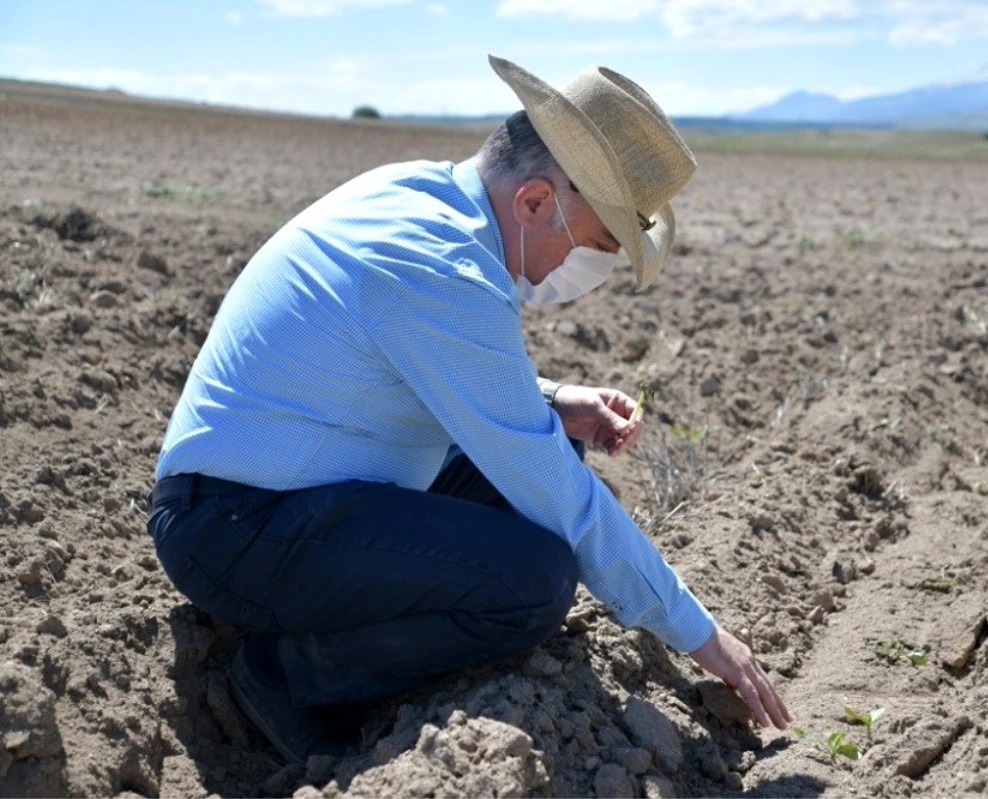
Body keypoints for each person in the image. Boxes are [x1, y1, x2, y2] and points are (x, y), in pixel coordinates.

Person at [147, 55, 791, 764]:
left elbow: (412, 360)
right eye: (601, 244)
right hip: (237, 527)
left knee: (548, 463)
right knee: (534, 579)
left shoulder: (416, 195)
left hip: (289, 493)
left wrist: (549, 400)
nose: (589, 272)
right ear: (536, 202)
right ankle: (283, 676)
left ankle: (335, 627)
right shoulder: (442, 268)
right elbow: (559, 495)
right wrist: (699, 631)